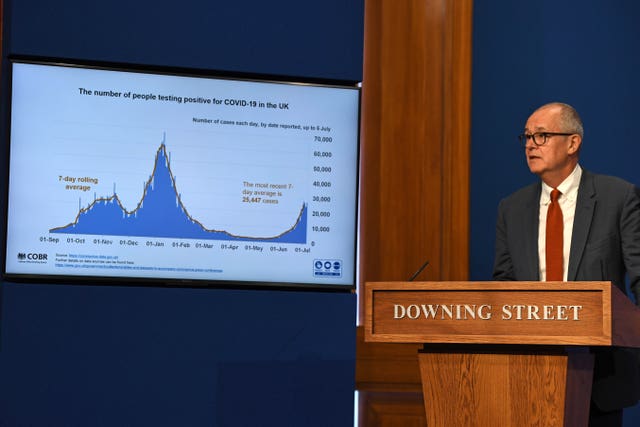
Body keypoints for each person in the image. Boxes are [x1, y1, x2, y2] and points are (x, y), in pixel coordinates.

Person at [492, 102, 640, 426]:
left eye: (542, 135)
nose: (530, 144)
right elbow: (504, 287)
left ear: (573, 143)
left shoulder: (618, 197)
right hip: (526, 375)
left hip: (600, 377)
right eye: (527, 137)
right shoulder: (511, 209)